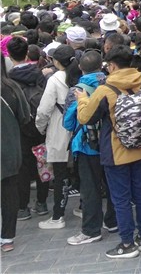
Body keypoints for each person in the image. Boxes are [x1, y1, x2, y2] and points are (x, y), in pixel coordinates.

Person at [76, 45, 141, 259]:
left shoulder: (105, 90)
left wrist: (82, 99)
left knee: (121, 199)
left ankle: (127, 243)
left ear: (111, 66)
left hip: (116, 151)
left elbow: (85, 117)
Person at [63, 50, 118, 246]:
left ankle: (91, 229)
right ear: (102, 65)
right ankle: (113, 221)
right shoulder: (111, 83)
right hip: (111, 142)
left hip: (87, 146)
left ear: (80, 67)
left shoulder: (76, 90)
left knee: (90, 188)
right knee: (113, 185)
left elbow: (69, 123)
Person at [7, 36, 49, 219]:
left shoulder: (9, 80)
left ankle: (22, 207)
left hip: (19, 128)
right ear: (27, 54)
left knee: (22, 168)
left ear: (9, 55)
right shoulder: (40, 74)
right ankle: (42, 203)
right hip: (40, 126)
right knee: (42, 162)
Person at [35, 44, 75, 230]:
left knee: (60, 174)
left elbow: (44, 110)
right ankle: (83, 206)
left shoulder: (55, 80)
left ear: (56, 61)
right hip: (81, 129)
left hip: (60, 129)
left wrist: (41, 128)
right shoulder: (81, 74)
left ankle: (58, 215)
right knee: (83, 171)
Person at [1, 57, 32, 253]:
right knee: (9, 193)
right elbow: (25, 116)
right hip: (9, 149)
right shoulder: (12, 87)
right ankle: (7, 237)